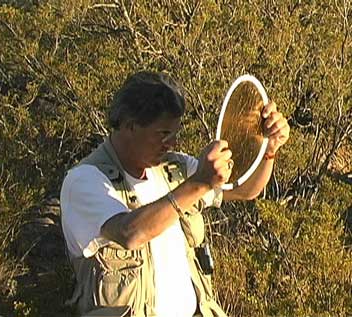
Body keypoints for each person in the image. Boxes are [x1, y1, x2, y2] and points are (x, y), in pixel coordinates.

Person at [60, 71, 290, 317]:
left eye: (175, 133)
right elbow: (130, 233)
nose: (171, 143)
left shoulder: (175, 170)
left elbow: (244, 191)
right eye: (162, 134)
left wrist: (269, 150)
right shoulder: (85, 180)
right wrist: (199, 183)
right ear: (130, 126)